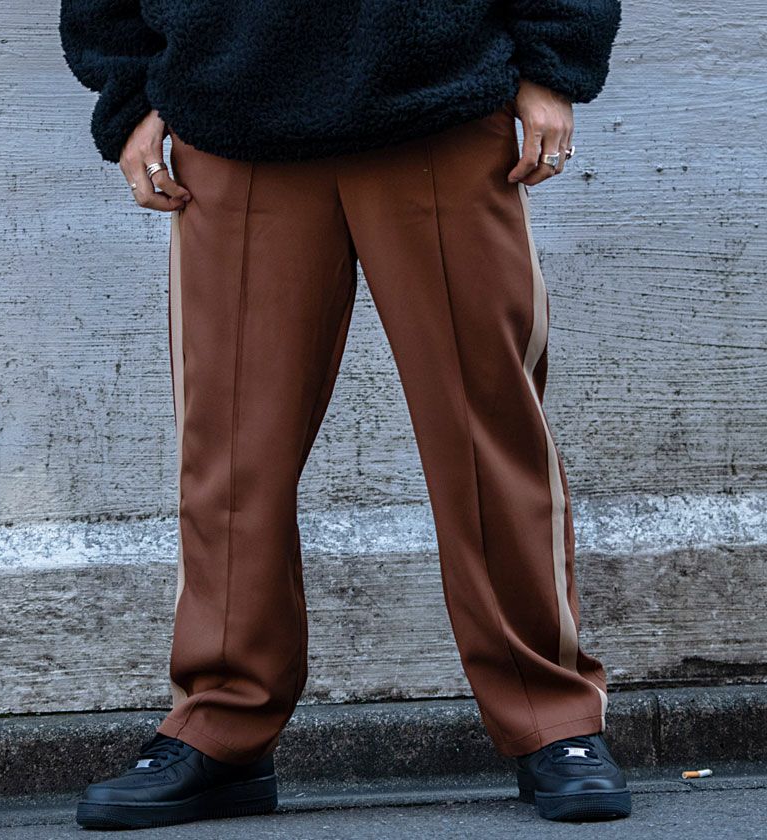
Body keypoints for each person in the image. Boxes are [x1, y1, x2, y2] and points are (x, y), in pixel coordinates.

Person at [59, 0, 627, 830]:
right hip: (233, 109)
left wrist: (552, 63)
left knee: (488, 435)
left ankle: (554, 716)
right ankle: (221, 724)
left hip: (437, 98)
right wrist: (130, 93)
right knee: (232, 452)